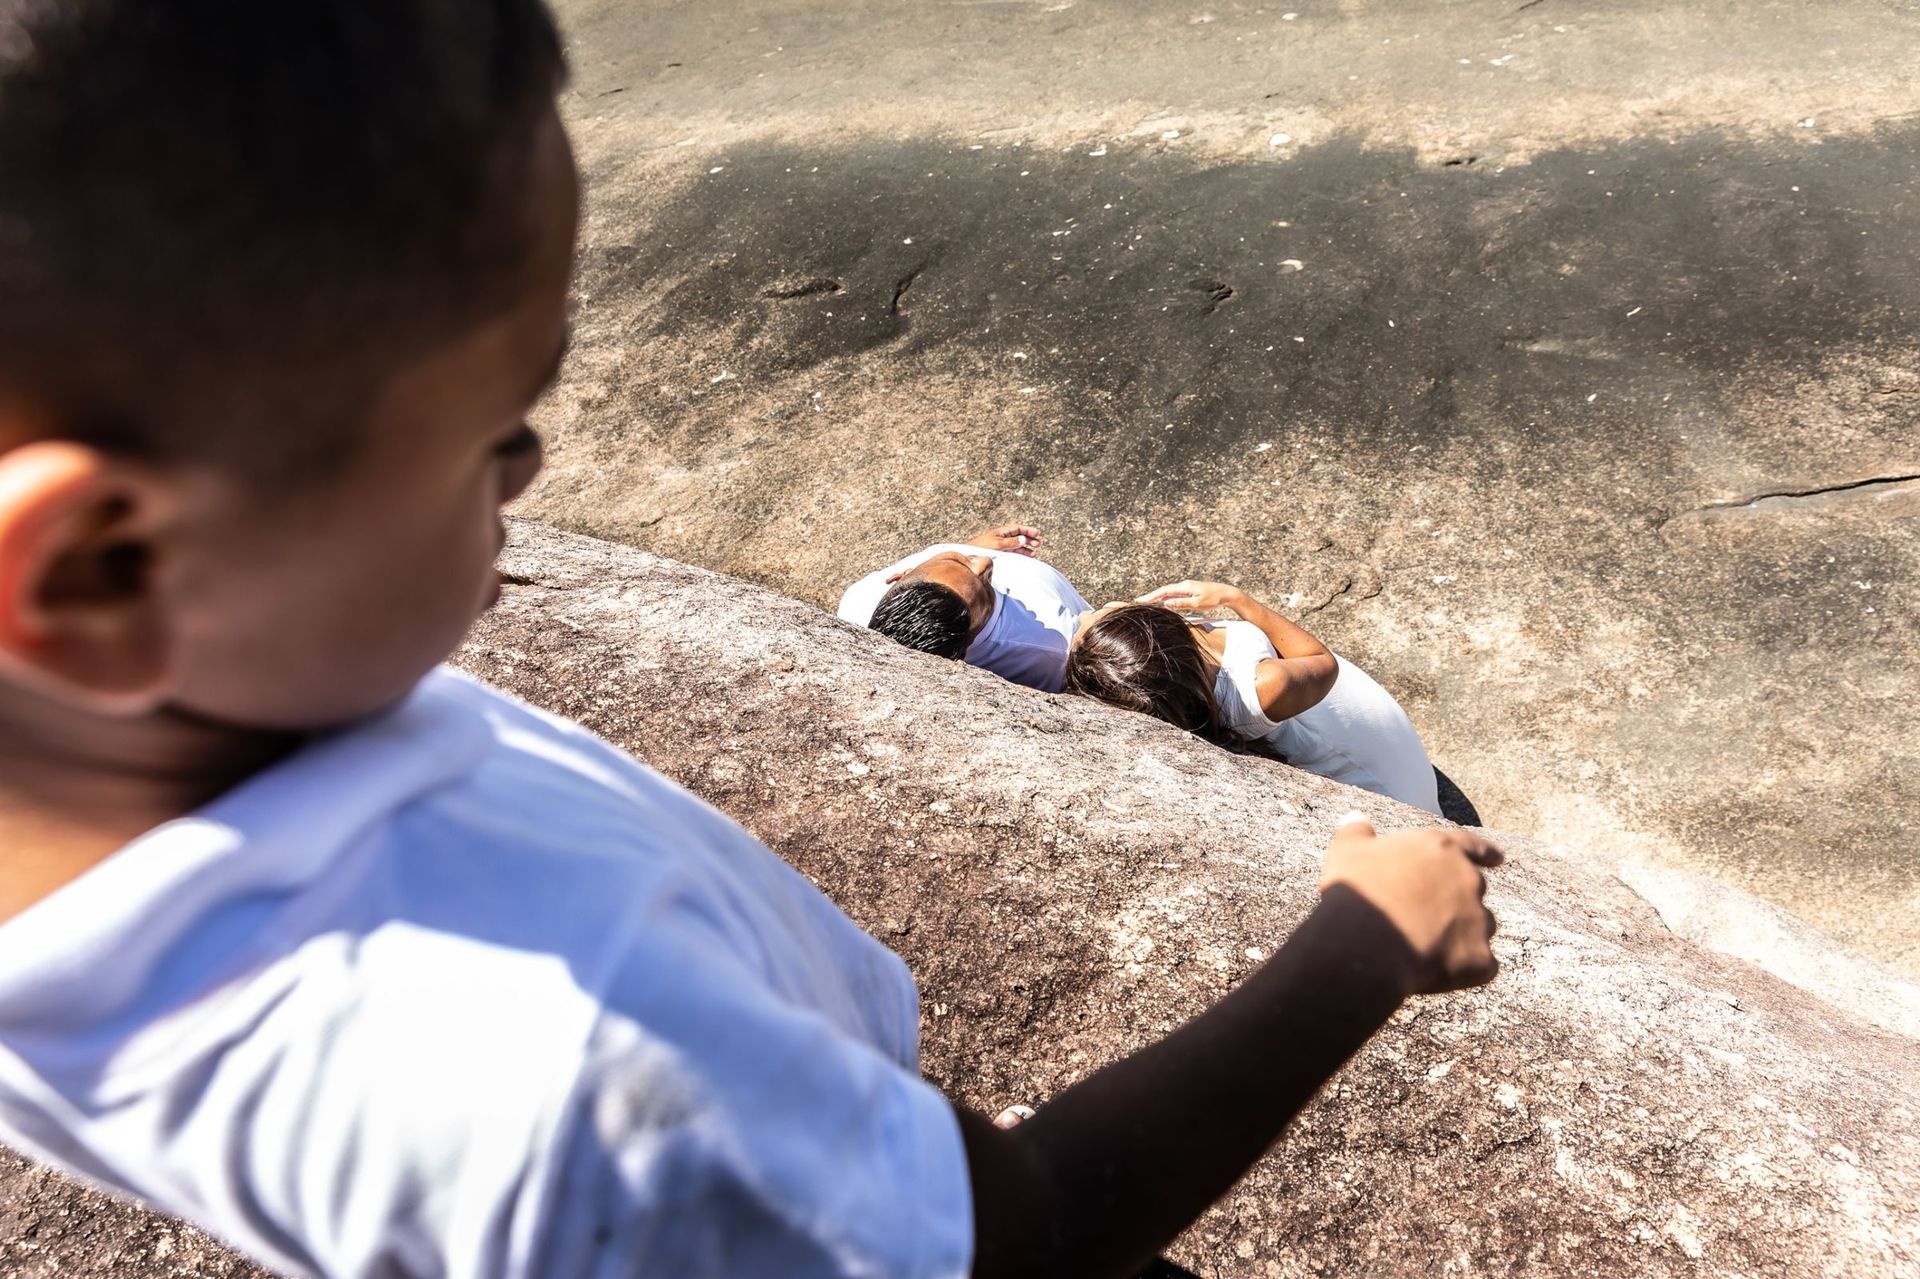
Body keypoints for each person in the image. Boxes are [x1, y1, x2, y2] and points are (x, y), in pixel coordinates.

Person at [0, 5, 1502, 1277]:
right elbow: (1020, 1232)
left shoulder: (190, 703)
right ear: (102, 574)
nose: (528, 480)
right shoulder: (561, 1064)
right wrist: (1361, 945)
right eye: (491, 438)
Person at [1067, 581, 1445, 815]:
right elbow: (1322, 662)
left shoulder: (1172, 690)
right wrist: (1239, 600)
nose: (1086, 617)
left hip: (1352, 721)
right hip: (1386, 782)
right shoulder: (1259, 687)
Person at [837, 527, 1090, 692]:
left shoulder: (857, 603)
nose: (986, 561)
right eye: (986, 587)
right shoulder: (1051, 648)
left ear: (898, 577)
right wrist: (960, 560)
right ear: (966, 646)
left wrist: (970, 547)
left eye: (955, 559)